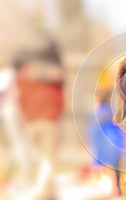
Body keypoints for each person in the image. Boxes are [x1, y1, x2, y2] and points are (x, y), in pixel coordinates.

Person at [12, 39, 64, 199]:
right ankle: (42, 192)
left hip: (30, 121)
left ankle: (50, 191)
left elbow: (19, 98)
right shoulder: (55, 75)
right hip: (48, 119)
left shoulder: (24, 74)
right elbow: (59, 97)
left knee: (42, 157)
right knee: (48, 158)